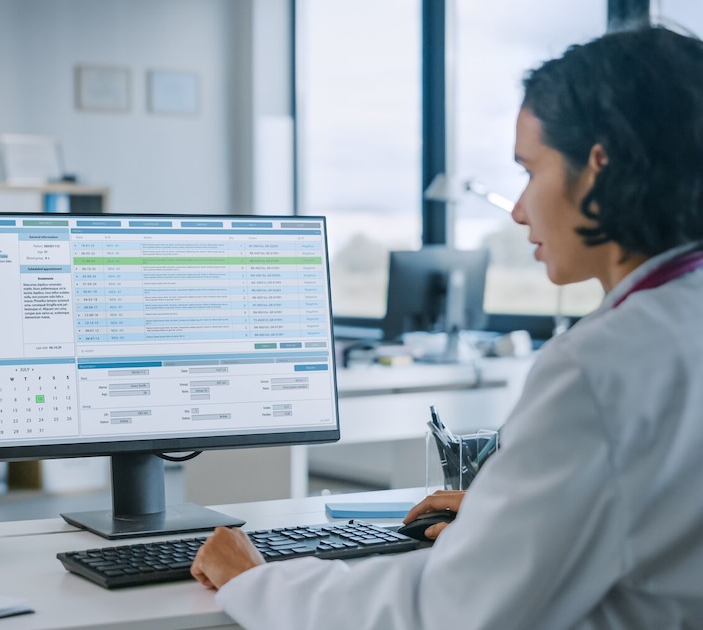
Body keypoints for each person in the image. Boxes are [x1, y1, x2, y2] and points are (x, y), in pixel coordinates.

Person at [190, 26, 703, 628]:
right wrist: (513, 517)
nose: (517, 210)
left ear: (597, 166)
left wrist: (258, 582)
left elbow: (442, 614)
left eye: (530, 171)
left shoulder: (601, 365)